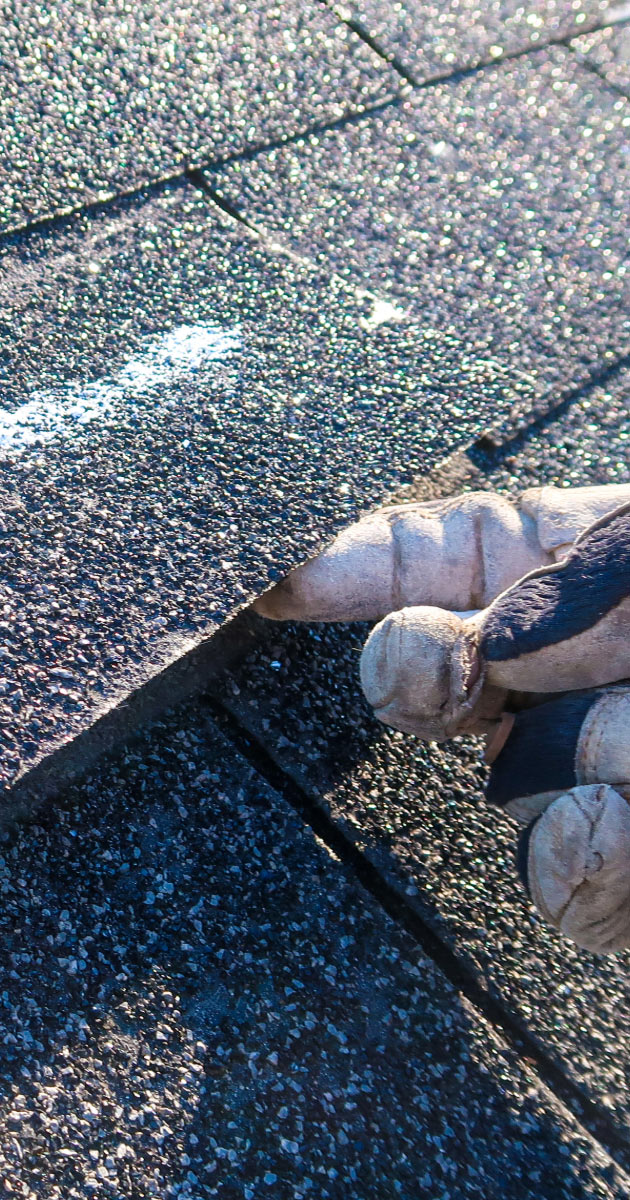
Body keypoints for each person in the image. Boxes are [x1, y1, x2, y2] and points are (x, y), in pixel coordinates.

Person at [254, 482, 630, 955]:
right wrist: (575, 552)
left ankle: (506, 692)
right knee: (465, 604)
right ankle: (534, 565)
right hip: (572, 552)